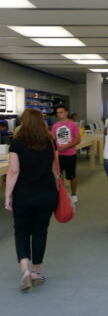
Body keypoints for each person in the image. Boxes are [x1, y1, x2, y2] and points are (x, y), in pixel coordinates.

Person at [5, 108, 59, 290]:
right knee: (40, 231)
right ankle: (37, 271)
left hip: (24, 195)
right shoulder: (50, 141)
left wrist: (7, 195)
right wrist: (58, 193)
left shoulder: (17, 142)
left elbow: (13, 171)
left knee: (21, 232)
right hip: (47, 194)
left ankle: (26, 272)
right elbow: (54, 170)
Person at [52, 106, 81, 203]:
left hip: (70, 155)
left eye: (61, 112)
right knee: (58, 176)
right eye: (57, 113)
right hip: (59, 156)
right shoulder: (55, 126)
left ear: (66, 113)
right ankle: (61, 195)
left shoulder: (73, 125)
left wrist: (67, 146)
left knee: (72, 176)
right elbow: (53, 140)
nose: (59, 114)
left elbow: (78, 140)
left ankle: (73, 194)